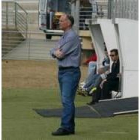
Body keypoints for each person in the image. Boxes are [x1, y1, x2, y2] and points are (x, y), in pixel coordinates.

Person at [50, 14, 81, 136]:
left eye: (62, 21)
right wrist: (55, 52)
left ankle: (66, 127)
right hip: (64, 71)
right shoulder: (65, 36)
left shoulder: (71, 36)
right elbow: (53, 51)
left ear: (68, 23)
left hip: (70, 71)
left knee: (66, 100)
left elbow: (60, 54)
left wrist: (55, 52)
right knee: (67, 100)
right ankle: (69, 127)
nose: (59, 23)